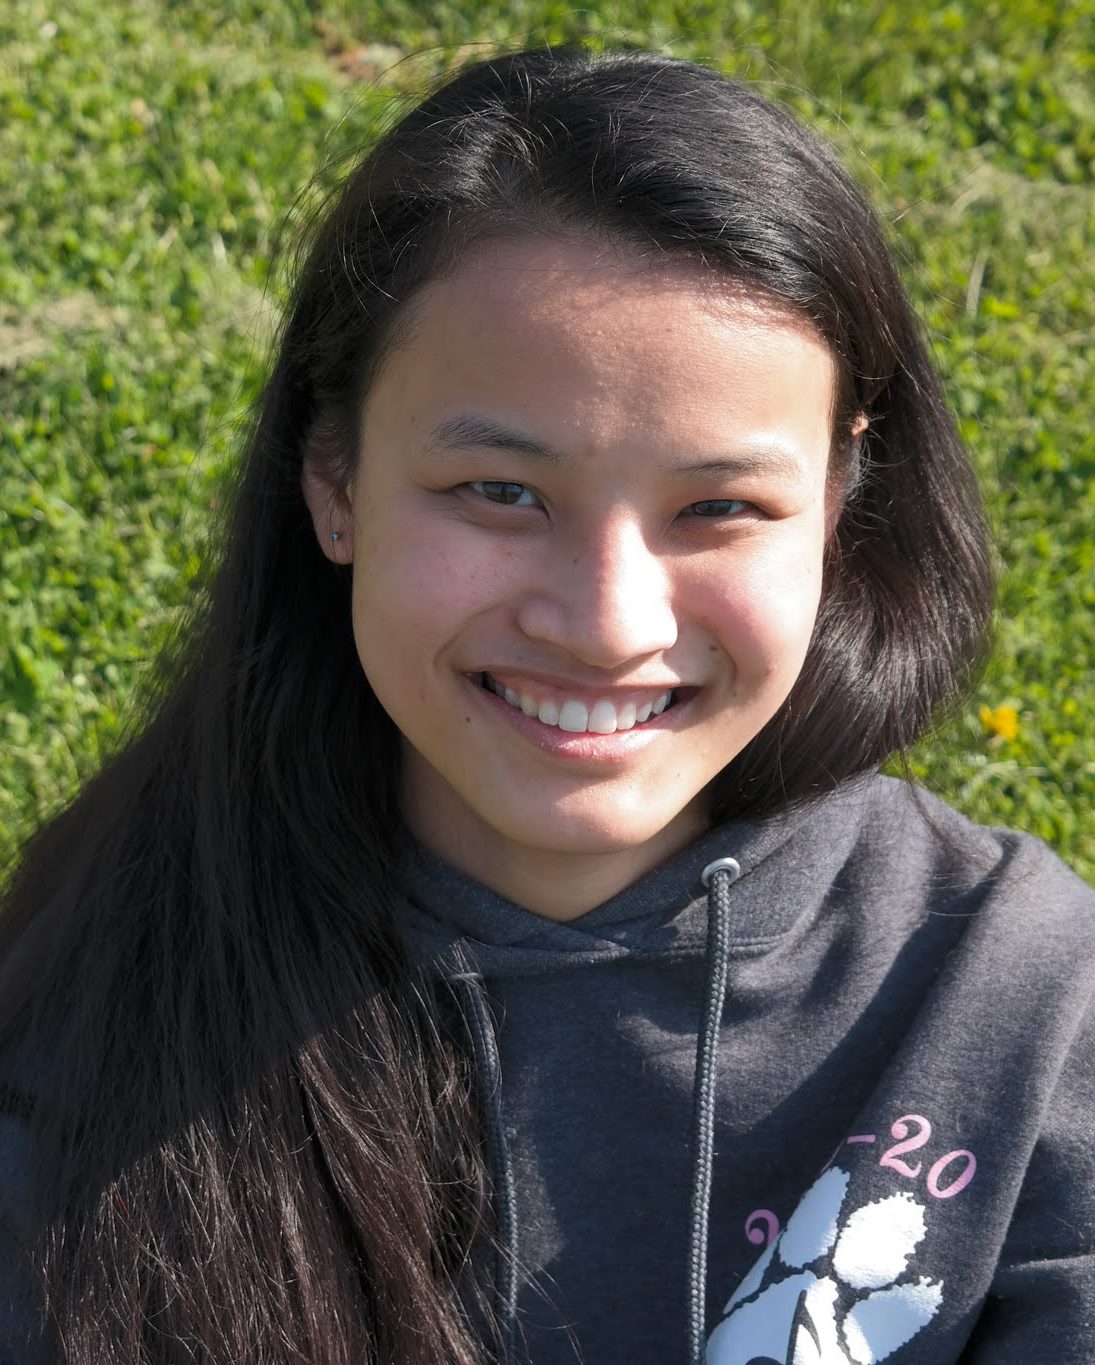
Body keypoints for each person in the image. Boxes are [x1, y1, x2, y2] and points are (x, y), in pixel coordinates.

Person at [1, 43, 1092, 1365]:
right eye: (500, 493)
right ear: (333, 477)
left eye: (722, 508)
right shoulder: (86, 991)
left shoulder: (1025, 1006)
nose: (608, 622)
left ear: (841, 501)